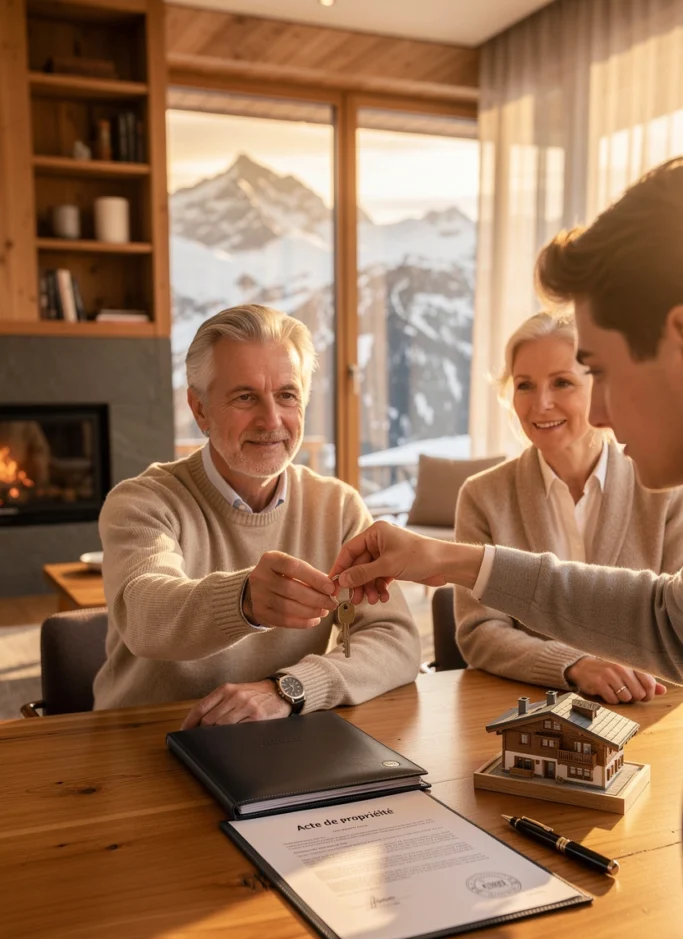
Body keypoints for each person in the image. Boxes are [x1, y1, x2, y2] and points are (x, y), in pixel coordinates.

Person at [330, 157, 683, 700]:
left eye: (599, 372)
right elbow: (665, 621)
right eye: (524, 384)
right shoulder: (487, 494)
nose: (603, 415)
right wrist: (444, 558)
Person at [93, 305, 420, 723]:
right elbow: (143, 613)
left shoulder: (338, 507)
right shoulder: (142, 502)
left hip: (280, 736)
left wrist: (289, 688)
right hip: (144, 738)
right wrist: (243, 601)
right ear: (200, 410)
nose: (271, 420)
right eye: (245, 397)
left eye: (287, 395)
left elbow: (395, 638)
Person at [454, 312, 683, 703]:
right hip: (532, 710)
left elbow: (675, 624)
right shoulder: (482, 495)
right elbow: (479, 631)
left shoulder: (666, 488)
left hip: (653, 707)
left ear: (601, 386)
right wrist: (573, 665)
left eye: (562, 382)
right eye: (525, 385)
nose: (541, 404)